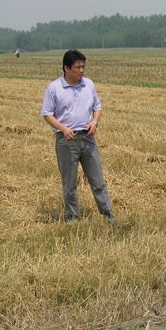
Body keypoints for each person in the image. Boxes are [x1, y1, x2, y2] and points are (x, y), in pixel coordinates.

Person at [41, 49, 114, 221]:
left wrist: (94, 122)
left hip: (88, 138)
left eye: (83, 67)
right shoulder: (54, 88)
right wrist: (63, 128)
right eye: (77, 67)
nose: (81, 71)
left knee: (98, 181)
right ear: (66, 68)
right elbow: (47, 114)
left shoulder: (88, 84)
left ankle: (109, 217)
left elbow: (97, 107)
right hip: (66, 140)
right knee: (70, 184)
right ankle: (73, 219)